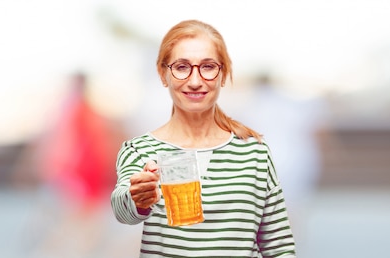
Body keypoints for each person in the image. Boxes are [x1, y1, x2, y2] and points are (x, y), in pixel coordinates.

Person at [110, 20, 297, 257]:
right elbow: (122, 210)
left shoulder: (254, 153)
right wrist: (138, 198)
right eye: (181, 67)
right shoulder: (139, 150)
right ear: (163, 74)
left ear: (223, 74)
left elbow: (278, 245)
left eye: (208, 67)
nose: (196, 81)